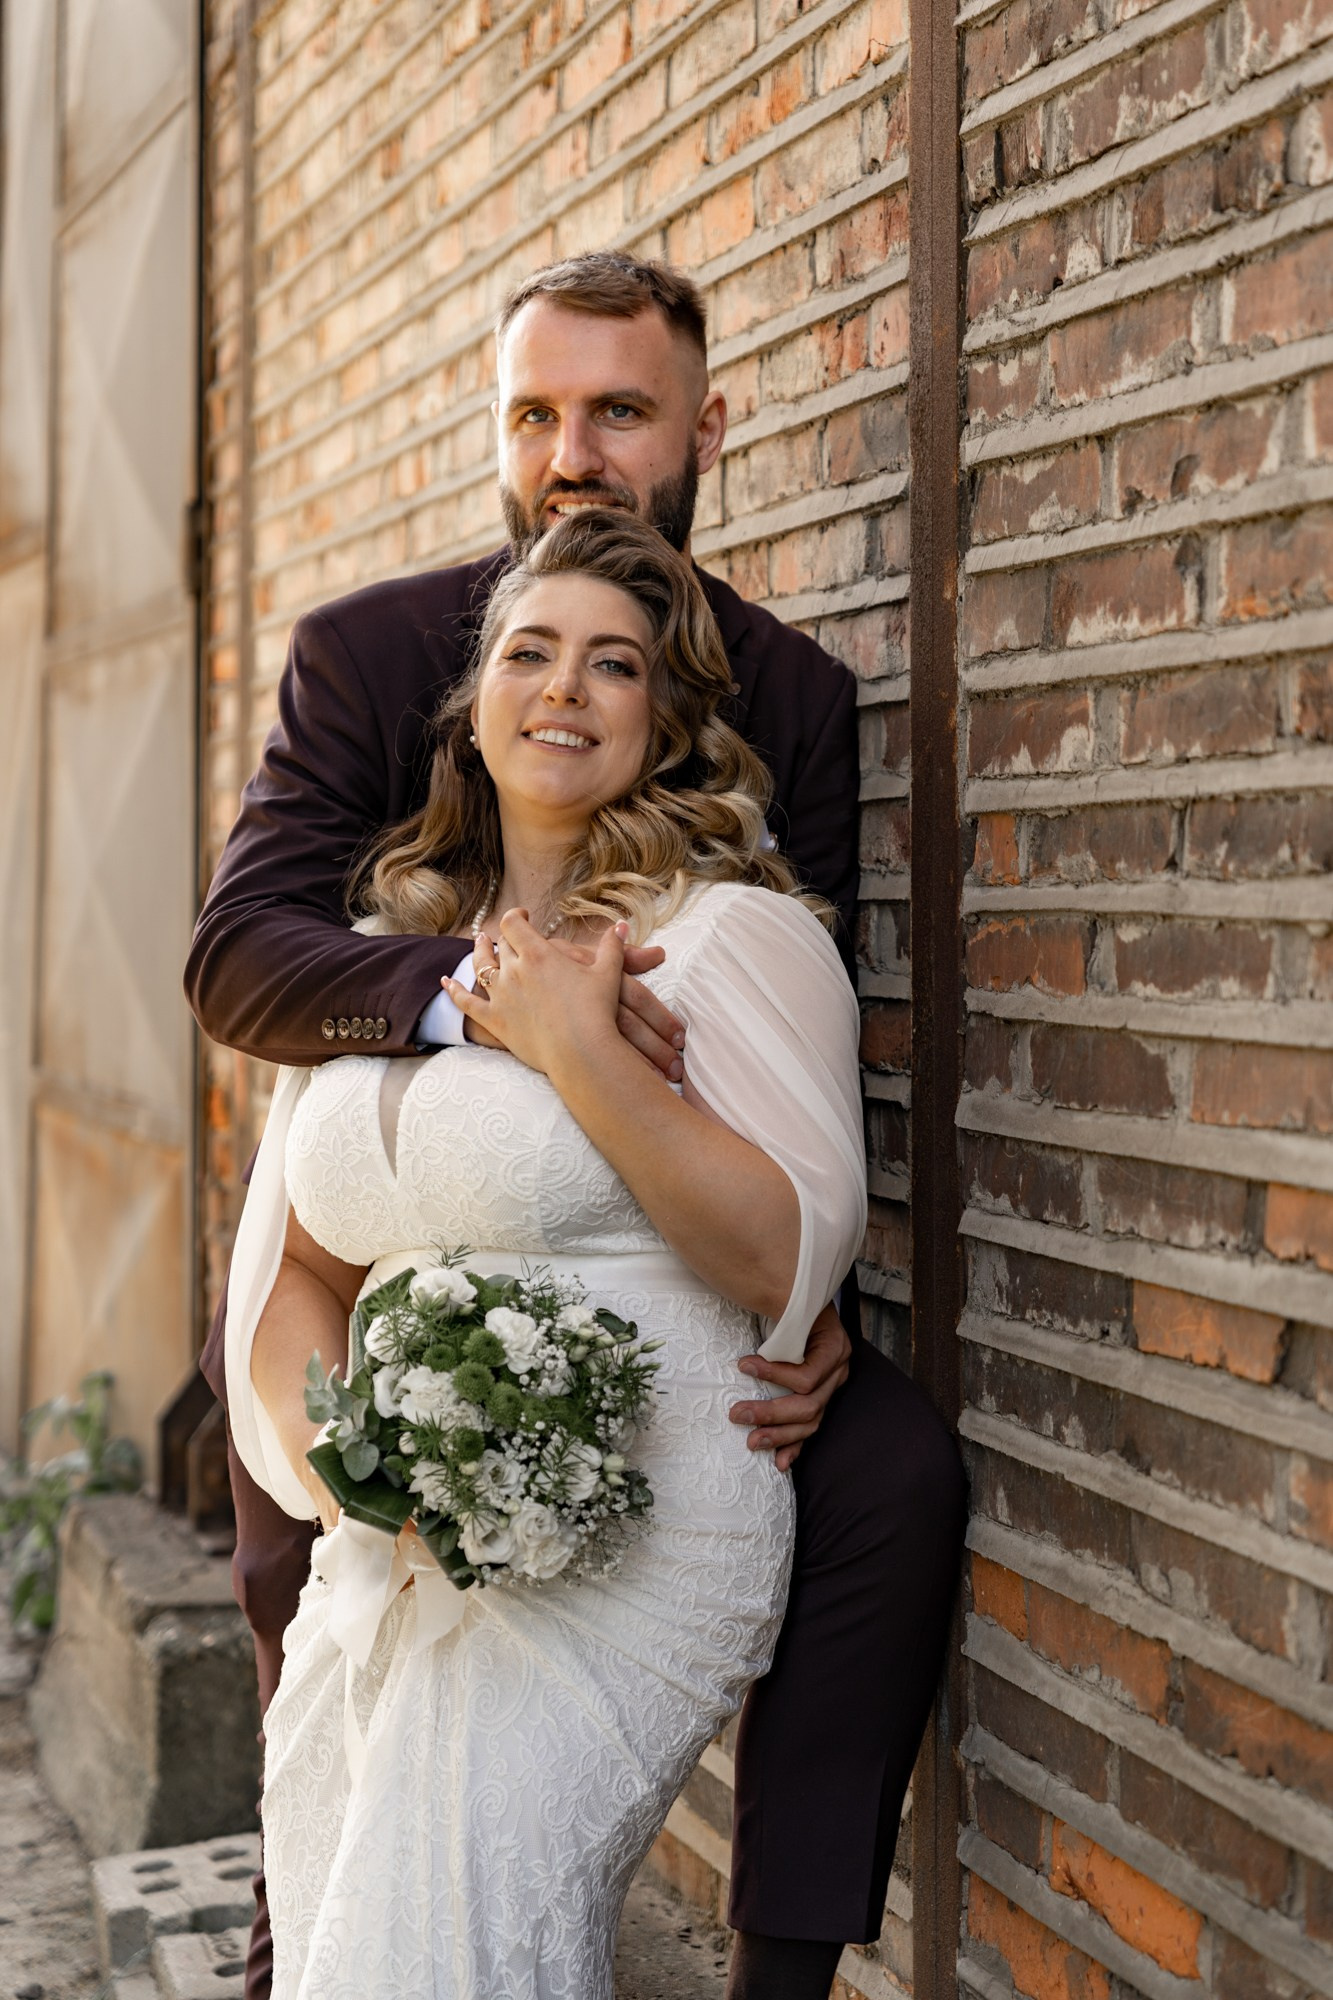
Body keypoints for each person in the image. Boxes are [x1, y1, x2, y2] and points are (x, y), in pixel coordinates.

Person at [187, 251, 967, 2000]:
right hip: (388, 1224)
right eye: (535, 414)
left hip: (664, 1296)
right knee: (295, 1525)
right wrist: (483, 996)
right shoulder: (369, 654)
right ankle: (295, 1935)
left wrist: (808, 1297)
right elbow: (238, 956)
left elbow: (783, 1042)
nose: (574, 455)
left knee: (893, 1473)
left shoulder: (788, 695)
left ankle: (781, 1973)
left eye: (620, 412)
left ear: (704, 427)